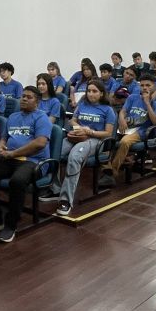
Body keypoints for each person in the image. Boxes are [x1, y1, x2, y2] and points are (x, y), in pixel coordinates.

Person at [0, 87, 53, 243]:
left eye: (29, 97)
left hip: (33, 161)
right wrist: (0, 147)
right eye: (23, 96)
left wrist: (13, 153)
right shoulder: (13, 117)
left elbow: (40, 143)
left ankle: (11, 224)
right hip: (9, 158)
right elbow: (4, 138)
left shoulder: (42, 118)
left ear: (37, 101)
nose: (24, 99)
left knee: (17, 181)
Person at [56, 78, 117, 216]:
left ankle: (65, 200)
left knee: (74, 157)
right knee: (55, 152)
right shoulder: (82, 104)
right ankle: (54, 189)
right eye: (89, 91)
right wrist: (80, 128)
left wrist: (90, 132)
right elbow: (72, 121)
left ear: (101, 93)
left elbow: (108, 133)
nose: (90, 94)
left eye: (94, 91)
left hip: (95, 139)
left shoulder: (108, 110)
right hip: (78, 135)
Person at [108, 73, 156, 182]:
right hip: (127, 127)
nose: (144, 88)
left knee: (125, 141)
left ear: (154, 86)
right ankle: (114, 163)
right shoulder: (132, 97)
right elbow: (123, 111)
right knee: (108, 139)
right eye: (142, 85)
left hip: (141, 131)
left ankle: (113, 171)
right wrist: (121, 119)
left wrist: (147, 103)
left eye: (148, 85)